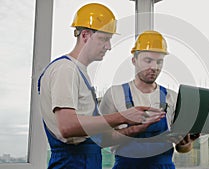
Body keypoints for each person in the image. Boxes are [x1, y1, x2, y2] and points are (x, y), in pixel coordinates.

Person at [37, 3, 165, 169]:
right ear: (85, 35)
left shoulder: (80, 73)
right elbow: (67, 127)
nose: (109, 46)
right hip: (71, 163)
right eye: (104, 39)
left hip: (86, 161)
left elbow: (97, 138)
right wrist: (123, 116)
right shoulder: (65, 69)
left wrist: (136, 129)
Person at [100, 30, 200, 169]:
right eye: (148, 60)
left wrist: (185, 143)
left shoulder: (173, 97)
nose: (154, 67)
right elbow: (100, 139)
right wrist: (132, 131)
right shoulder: (115, 94)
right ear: (134, 60)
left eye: (159, 61)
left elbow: (182, 149)